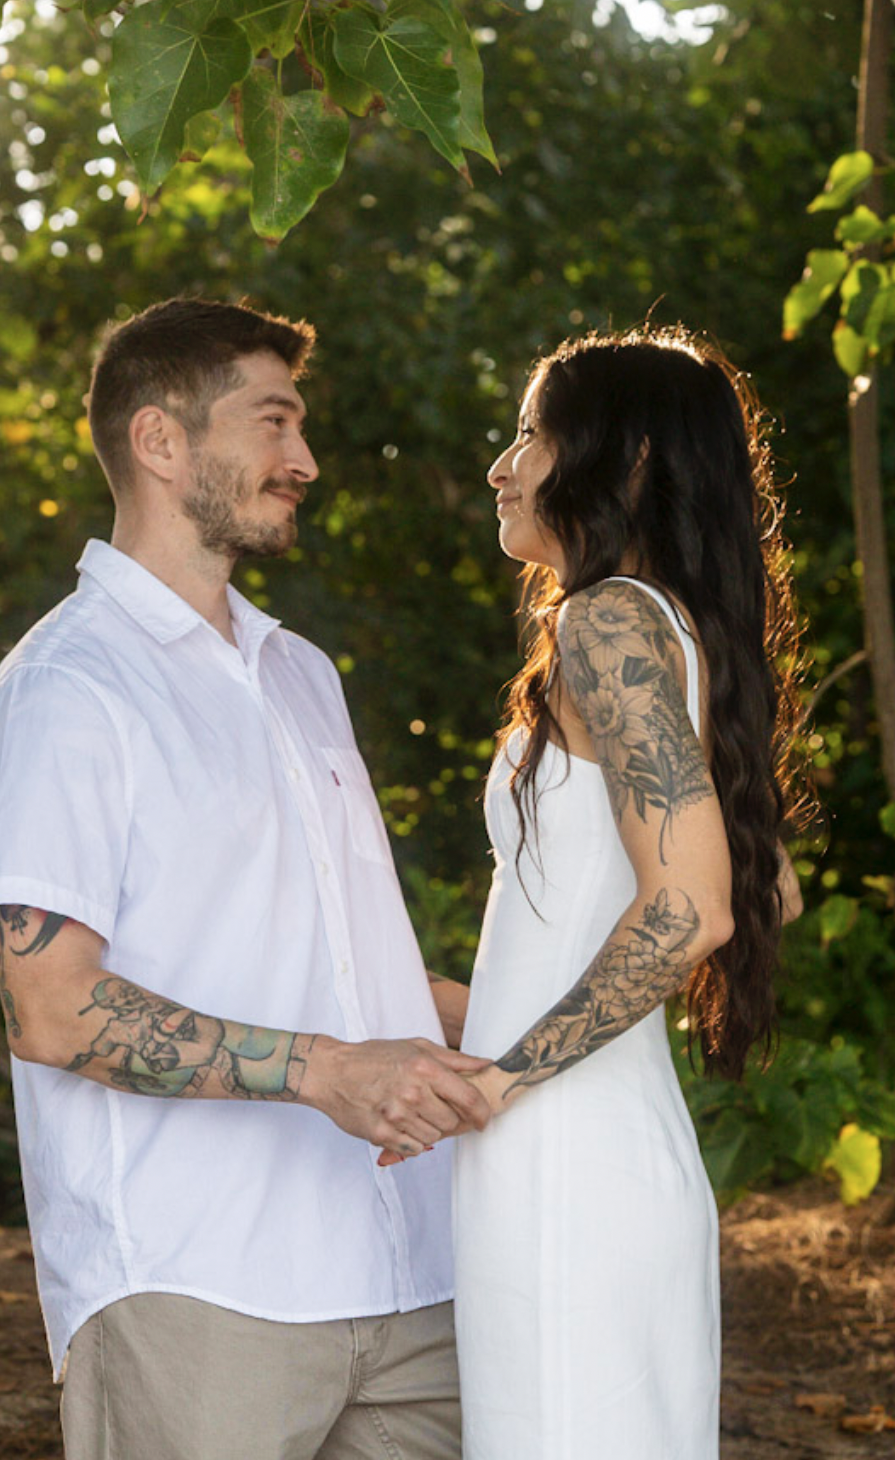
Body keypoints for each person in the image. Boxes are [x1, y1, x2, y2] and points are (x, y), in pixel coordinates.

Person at [0, 296, 491, 1460]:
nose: (302, 460)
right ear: (160, 441)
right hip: (194, 1289)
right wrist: (328, 1072)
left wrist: (565, 1015)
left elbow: (362, 976)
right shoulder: (68, 687)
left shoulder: (301, 673)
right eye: (274, 421)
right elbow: (51, 1009)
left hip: (412, 1269)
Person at [421, 328, 806, 1458]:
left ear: (624, 460)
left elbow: (697, 905)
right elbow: (761, 884)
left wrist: (500, 1080)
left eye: (532, 434)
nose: (502, 463)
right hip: (589, 1141)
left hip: (564, 1161)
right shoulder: (672, 630)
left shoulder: (611, 621)